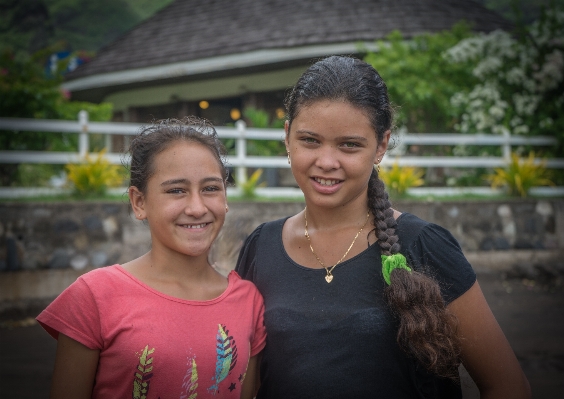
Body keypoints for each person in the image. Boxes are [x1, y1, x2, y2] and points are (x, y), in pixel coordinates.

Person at [235, 56, 531, 398]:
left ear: (381, 145)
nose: (327, 161)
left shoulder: (423, 246)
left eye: (349, 144)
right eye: (310, 140)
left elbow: (507, 386)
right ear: (287, 137)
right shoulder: (261, 247)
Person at [37, 117, 266, 399]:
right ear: (139, 202)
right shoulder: (94, 296)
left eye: (210, 188)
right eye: (176, 190)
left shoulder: (249, 301)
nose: (197, 207)